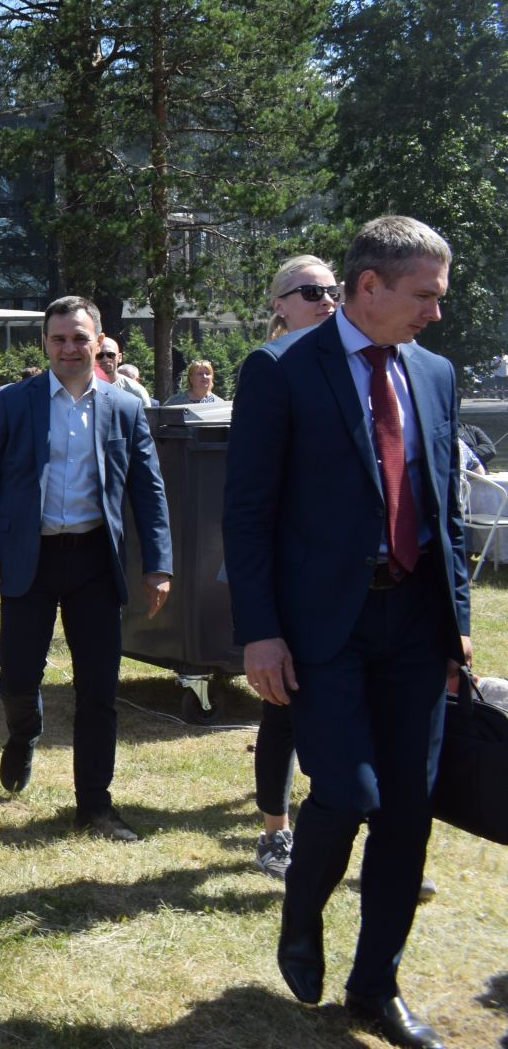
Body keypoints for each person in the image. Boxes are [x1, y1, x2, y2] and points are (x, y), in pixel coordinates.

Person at [225, 216, 472, 1049]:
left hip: (414, 621)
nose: (436, 314)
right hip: (321, 624)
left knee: (408, 808)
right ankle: (303, 913)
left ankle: (377, 986)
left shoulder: (434, 373)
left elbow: (445, 508)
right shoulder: (280, 371)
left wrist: (457, 626)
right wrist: (260, 633)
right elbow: (247, 513)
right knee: (350, 793)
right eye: (424, 297)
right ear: (369, 287)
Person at [0, 295, 172, 842]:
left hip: (95, 564)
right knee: (16, 677)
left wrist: (159, 565)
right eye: (58, 339)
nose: (69, 348)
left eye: (79, 338)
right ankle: (22, 732)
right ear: (45, 344)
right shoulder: (13, 403)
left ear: (98, 342)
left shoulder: (125, 409)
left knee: (98, 688)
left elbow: (148, 492)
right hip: (28, 561)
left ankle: (95, 806)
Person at [236, 253, 339, 880]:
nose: (327, 299)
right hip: (286, 571)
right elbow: (252, 493)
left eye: (334, 288)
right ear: (279, 303)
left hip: (347, 574)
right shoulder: (268, 367)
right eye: (311, 290)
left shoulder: (357, 364)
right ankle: (275, 833)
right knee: (284, 706)